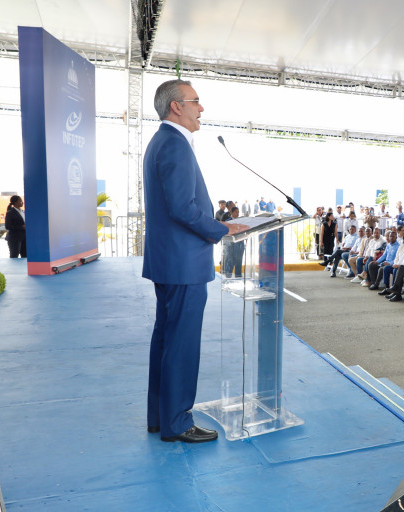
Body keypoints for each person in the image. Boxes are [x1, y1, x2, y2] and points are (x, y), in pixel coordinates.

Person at [142, 79, 245, 443]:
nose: (201, 109)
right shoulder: (175, 144)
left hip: (169, 261)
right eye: (196, 101)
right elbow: (183, 208)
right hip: (183, 263)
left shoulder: (161, 141)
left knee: (167, 339)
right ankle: (177, 422)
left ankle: (160, 417)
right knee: (181, 344)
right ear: (176, 106)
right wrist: (222, 228)